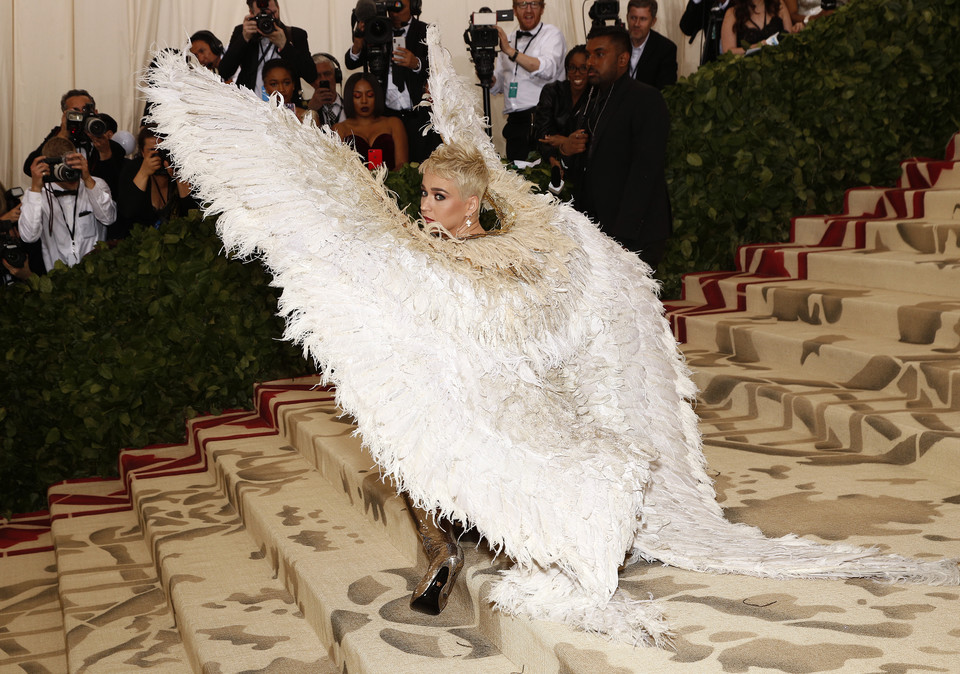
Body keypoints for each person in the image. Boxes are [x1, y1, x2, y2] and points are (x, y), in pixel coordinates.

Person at [574, 26, 672, 269]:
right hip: (600, 230)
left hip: (636, 232)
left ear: (622, 59)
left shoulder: (646, 99)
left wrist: (623, 236)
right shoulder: (592, 101)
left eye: (599, 54)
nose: (590, 62)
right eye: (588, 55)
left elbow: (645, 171)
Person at [345, 0, 433, 162]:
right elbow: (351, 62)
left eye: (399, 6)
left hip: (417, 114)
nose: (394, 12)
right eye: (391, 7)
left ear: (413, 6)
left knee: (421, 163)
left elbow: (439, 65)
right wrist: (357, 44)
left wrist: (416, 63)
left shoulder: (425, 31)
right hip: (386, 115)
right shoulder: (378, 27)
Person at [19, 137, 116, 270]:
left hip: (97, 275)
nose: (68, 172)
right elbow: (28, 236)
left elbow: (109, 218)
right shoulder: (38, 195)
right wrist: (35, 189)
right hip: (58, 279)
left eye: (71, 165)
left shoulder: (96, 184)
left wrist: (87, 179)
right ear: (50, 167)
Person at [490, 1, 566, 162]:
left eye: (534, 4)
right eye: (523, 4)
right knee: (517, 179)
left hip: (543, 119)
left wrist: (510, 51)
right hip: (515, 123)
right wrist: (485, 72)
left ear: (543, 8)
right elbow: (498, 84)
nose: (529, 10)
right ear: (515, 10)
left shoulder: (552, 34)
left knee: (544, 180)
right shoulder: (508, 39)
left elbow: (548, 69)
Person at [22, 89, 125, 194]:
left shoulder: (107, 143)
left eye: (85, 110)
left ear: (95, 112)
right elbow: (30, 168)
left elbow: (117, 183)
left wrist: (105, 153)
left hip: (99, 203)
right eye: (75, 111)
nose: (82, 115)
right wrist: (62, 135)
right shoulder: (58, 134)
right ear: (64, 115)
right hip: (62, 203)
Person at [114, 126, 197, 239]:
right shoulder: (133, 169)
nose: (159, 156)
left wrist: (179, 178)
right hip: (138, 244)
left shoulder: (179, 169)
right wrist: (143, 173)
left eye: (162, 150)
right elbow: (127, 211)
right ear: (142, 152)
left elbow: (193, 215)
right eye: (152, 151)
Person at [219, 0, 314, 96]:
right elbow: (224, 72)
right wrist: (244, 39)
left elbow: (310, 75)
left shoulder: (295, 35)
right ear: (251, 13)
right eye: (262, 15)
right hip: (249, 104)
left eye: (272, 13)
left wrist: (284, 45)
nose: (269, 19)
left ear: (278, 8)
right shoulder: (242, 32)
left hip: (286, 106)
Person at [534, 45, 592, 183]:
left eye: (583, 68)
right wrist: (553, 160)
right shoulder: (552, 91)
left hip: (584, 168)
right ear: (567, 70)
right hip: (549, 161)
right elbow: (543, 135)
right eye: (572, 68)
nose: (577, 73)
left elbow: (588, 141)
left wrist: (564, 141)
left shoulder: (594, 96)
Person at [334, 73, 409, 170]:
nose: (364, 101)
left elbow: (402, 165)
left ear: (377, 96)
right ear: (350, 98)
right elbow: (338, 169)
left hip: (392, 184)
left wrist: (387, 183)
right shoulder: (340, 129)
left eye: (370, 95)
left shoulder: (394, 124)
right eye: (357, 96)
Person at [625, 0, 678, 90]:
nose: (637, 24)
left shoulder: (666, 49)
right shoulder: (617, 42)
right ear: (627, 17)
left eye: (643, 19)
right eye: (633, 18)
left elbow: (665, 90)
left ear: (653, 21)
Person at [721, 0, 800, 55]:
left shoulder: (779, 5)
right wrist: (756, 47)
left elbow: (789, 37)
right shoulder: (732, 14)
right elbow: (728, 52)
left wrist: (797, 29)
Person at [262, 58, 319, 124]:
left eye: (286, 83)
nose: (281, 89)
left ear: (293, 85)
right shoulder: (257, 118)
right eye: (274, 84)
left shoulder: (308, 117)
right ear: (265, 87)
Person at [307, 53, 346, 127]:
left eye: (327, 74)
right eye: (318, 76)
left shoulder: (351, 107)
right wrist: (311, 110)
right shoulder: (305, 109)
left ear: (336, 76)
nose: (323, 79)